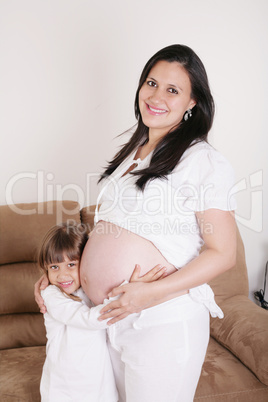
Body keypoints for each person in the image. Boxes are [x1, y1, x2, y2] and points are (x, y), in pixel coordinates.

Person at [35, 44, 237, 402]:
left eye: (173, 90)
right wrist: (58, 279)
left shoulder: (203, 161)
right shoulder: (134, 152)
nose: (156, 96)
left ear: (193, 102)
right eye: (151, 83)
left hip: (161, 318)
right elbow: (112, 232)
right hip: (112, 319)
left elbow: (223, 254)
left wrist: (149, 293)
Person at [38, 222, 167, 402]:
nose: (62, 275)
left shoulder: (84, 290)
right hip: (66, 385)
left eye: (71, 264)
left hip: (98, 380)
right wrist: (129, 291)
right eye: (54, 267)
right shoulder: (52, 295)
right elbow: (90, 319)